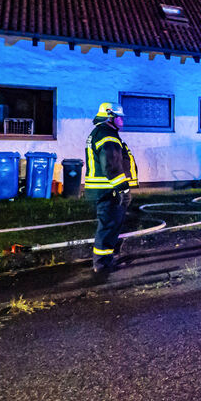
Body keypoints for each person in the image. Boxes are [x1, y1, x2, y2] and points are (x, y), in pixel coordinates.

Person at [85, 102, 138, 275]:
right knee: (108, 227)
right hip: (109, 190)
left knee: (111, 225)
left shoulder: (104, 133)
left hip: (107, 189)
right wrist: (122, 188)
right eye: (119, 117)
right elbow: (112, 164)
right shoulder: (107, 136)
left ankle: (107, 260)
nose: (122, 120)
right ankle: (102, 265)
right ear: (110, 117)